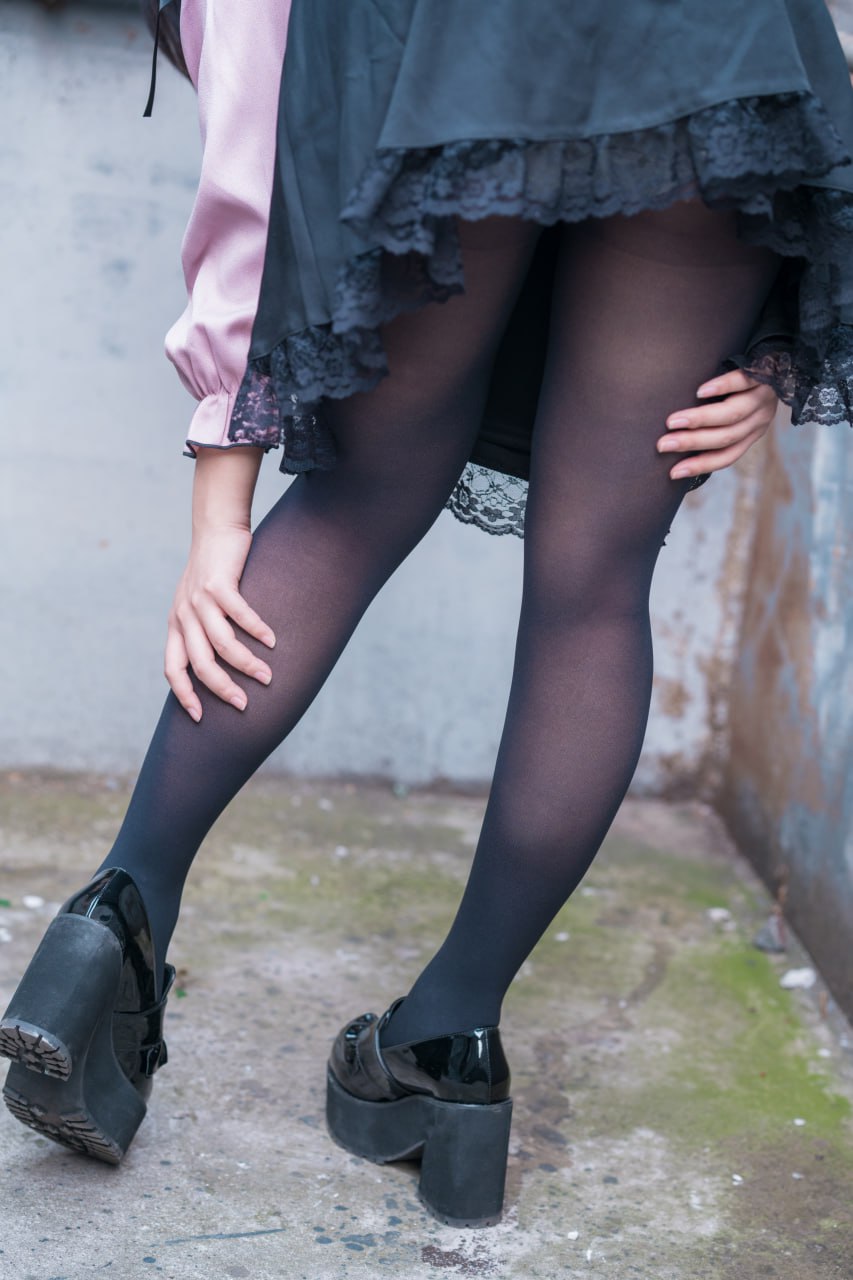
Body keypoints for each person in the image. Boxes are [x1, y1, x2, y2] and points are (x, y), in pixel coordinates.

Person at [2, 0, 852, 1228]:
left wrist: (220, 500)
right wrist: (776, 324)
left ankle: (115, 916)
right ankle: (449, 1042)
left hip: (468, 44)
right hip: (716, 54)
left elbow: (251, 180)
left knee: (354, 498)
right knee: (595, 584)